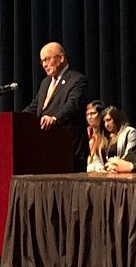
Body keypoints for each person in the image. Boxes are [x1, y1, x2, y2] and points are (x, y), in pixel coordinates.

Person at [23, 42, 88, 171]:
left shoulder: (77, 80)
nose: (44, 65)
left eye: (47, 59)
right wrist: (17, 119)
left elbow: (72, 105)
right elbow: (35, 106)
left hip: (69, 150)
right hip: (47, 150)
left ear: (61, 58)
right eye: (42, 61)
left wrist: (54, 118)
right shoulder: (46, 82)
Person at [86, 100, 108, 172]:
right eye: (87, 114)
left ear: (101, 115)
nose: (89, 117)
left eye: (93, 113)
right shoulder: (87, 134)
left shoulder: (107, 135)